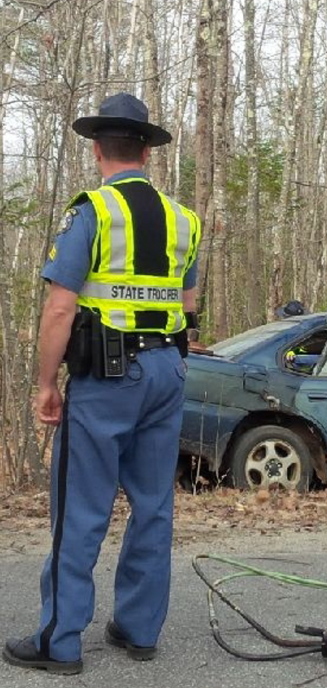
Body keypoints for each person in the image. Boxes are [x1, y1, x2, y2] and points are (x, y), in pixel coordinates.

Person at [2, 93, 201, 674]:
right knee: (153, 504)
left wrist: (45, 383)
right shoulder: (182, 219)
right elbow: (187, 306)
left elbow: (60, 309)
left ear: (96, 150)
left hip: (109, 375)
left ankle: (58, 642)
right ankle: (139, 630)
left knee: (82, 507)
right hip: (168, 370)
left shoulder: (92, 211)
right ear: (146, 150)